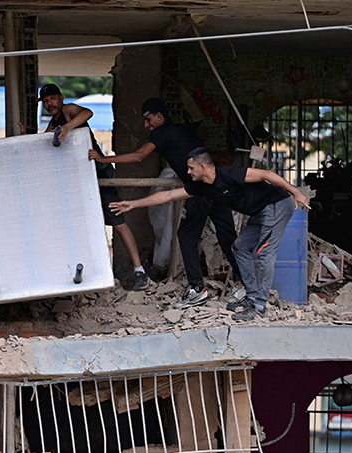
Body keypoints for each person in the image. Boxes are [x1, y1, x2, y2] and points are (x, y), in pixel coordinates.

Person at [110, 148, 309, 321]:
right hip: (260, 211)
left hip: (277, 205)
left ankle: (259, 306)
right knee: (238, 247)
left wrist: (295, 192)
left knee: (265, 254)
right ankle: (252, 296)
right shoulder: (201, 186)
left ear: (203, 167)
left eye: (191, 168)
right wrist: (133, 204)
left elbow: (266, 174)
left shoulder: (230, 174)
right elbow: (168, 195)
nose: (188, 172)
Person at [90, 97, 240, 308]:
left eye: (148, 119)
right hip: (216, 184)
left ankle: (197, 290)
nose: (146, 125)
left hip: (201, 190)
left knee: (186, 237)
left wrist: (103, 159)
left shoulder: (161, 133)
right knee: (227, 236)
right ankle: (247, 286)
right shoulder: (181, 130)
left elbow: (139, 156)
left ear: (159, 117)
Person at [34, 83, 151, 291]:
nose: (49, 104)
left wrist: (68, 128)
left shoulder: (68, 112)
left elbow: (88, 112)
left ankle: (140, 271)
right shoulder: (52, 124)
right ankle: (87, 272)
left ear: (61, 98)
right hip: (78, 180)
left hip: (99, 173)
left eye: (52, 99)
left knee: (117, 222)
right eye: (45, 101)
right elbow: (43, 146)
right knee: (81, 226)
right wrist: (28, 136)